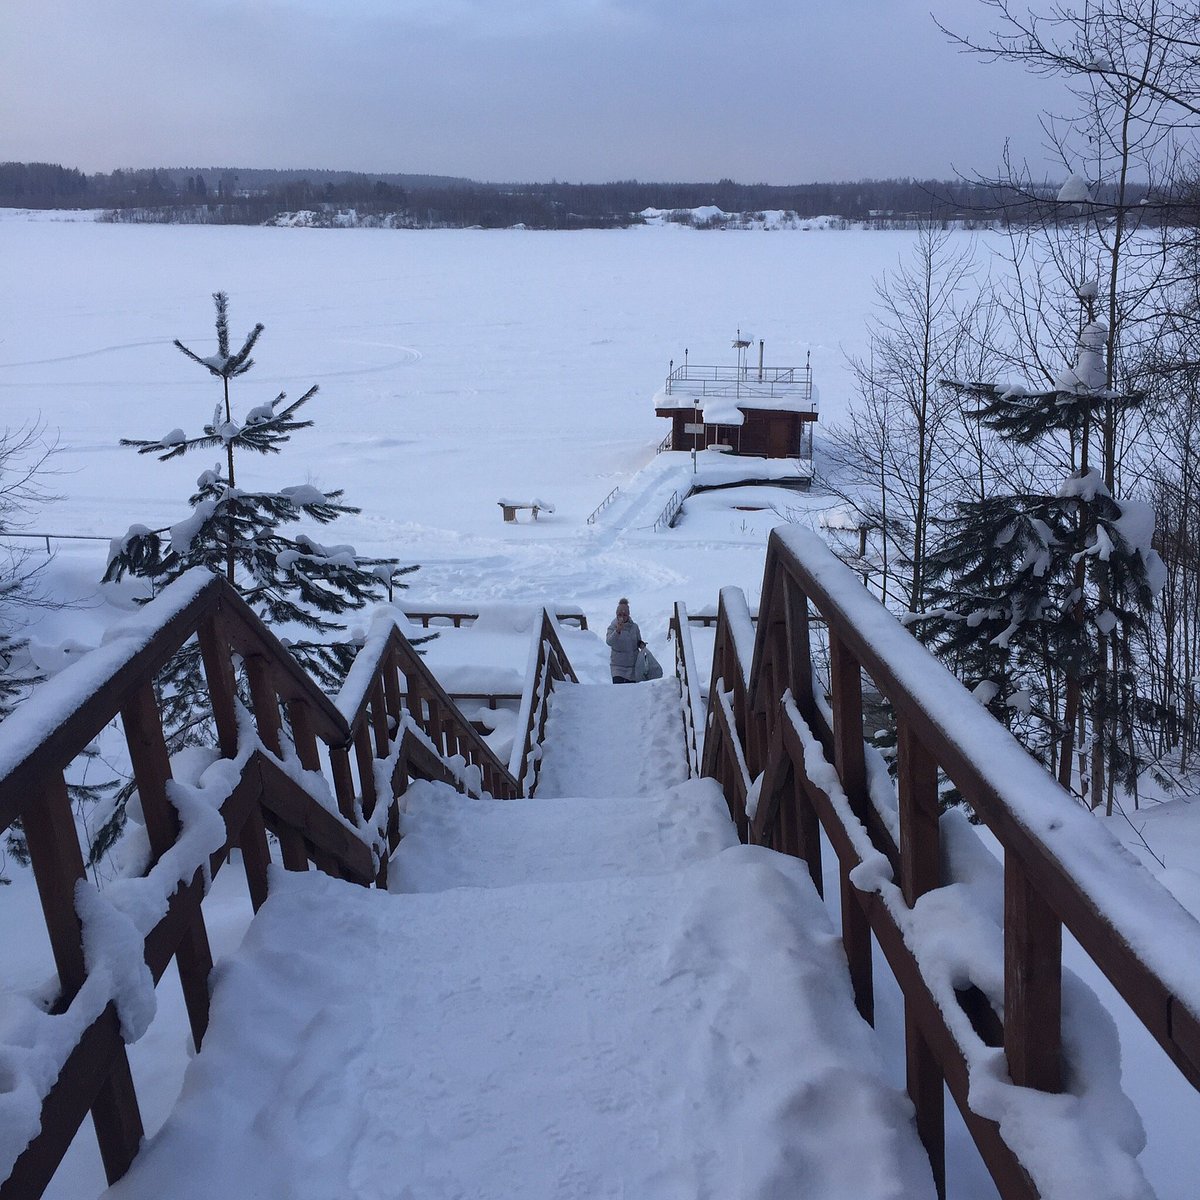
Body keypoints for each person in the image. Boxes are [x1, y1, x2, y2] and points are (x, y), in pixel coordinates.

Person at [606, 597, 644, 684]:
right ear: (616, 615)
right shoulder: (612, 627)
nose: (622, 617)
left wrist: (641, 645)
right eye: (620, 615)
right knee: (620, 693)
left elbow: (638, 641)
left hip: (633, 668)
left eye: (624, 615)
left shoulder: (634, 627)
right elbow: (609, 642)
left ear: (628, 615)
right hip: (618, 668)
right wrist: (617, 631)